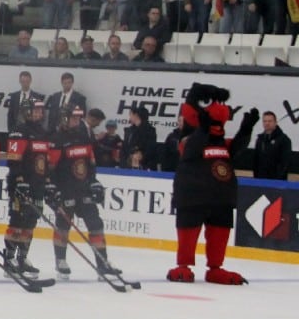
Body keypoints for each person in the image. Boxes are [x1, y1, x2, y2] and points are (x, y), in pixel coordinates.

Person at [171, 84, 259, 284]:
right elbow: (191, 149)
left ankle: (215, 268)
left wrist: (246, 129)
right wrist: (203, 129)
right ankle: (183, 265)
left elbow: (236, 148)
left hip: (221, 198)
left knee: (220, 231)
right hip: (193, 197)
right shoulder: (186, 139)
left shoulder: (222, 143)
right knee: (189, 230)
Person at [49, 102, 119, 279]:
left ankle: (102, 263)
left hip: (84, 189)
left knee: (96, 224)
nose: (76, 121)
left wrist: (94, 182)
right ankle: (60, 260)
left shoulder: (84, 137)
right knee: (63, 225)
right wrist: (52, 188)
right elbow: (50, 169)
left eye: (78, 118)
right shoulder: (56, 139)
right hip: (65, 190)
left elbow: (90, 164)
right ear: (64, 118)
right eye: (73, 118)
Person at [1, 98, 52, 278]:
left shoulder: (43, 133)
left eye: (40, 110)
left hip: (37, 185)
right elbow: (14, 160)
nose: (39, 113)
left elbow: (45, 161)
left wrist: (47, 182)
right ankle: (9, 259)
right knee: (17, 221)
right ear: (27, 111)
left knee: (31, 222)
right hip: (20, 185)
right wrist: (20, 180)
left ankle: (22, 257)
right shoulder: (19, 131)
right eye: (35, 110)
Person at [250, 110, 291, 181]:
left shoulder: (284, 140)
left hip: (277, 182)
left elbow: (285, 162)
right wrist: (256, 178)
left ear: (275, 122)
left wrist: (277, 179)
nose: (267, 123)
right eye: (265, 121)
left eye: (270, 121)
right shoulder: (260, 139)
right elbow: (256, 161)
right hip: (260, 180)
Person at [122, 105, 157, 170]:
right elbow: (125, 147)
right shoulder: (129, 130)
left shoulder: (149, 130)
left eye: (131, 115)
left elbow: (151, 148)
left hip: (145, 166)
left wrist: (141, 156)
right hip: (128, 165)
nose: (130, 118)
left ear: (136, 115)